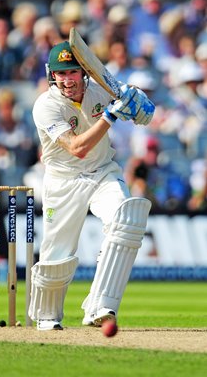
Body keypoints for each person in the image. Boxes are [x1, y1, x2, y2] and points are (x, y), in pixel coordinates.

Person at [29, 40, 155, 330]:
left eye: (72, 72)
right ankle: (48, 315)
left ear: (83, 72)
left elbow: (143, 116)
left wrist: (139, 104)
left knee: (127, 220)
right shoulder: (45, 106)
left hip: (102, 172)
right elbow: (76, 148)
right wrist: (111, 115)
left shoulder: (102, 89)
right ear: (52, 75)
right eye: (60, 74)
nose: (67, 80)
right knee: (57, 253)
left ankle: (101, 306)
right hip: (64, 180)